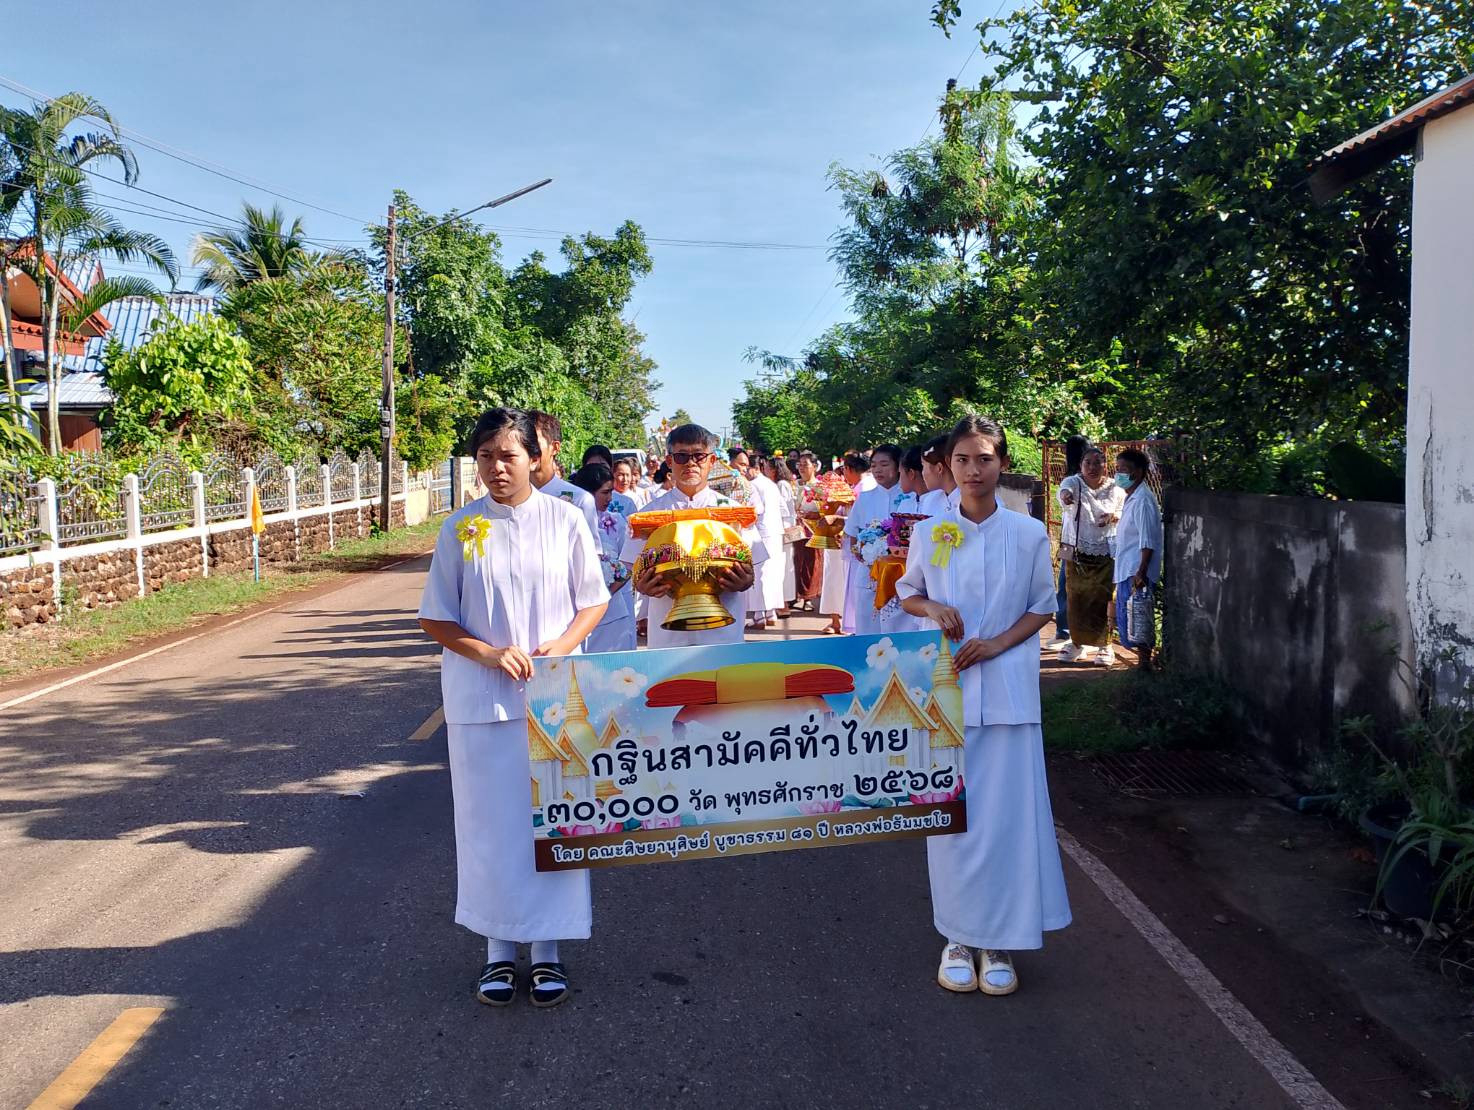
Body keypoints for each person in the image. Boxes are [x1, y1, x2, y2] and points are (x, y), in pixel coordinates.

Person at [417, 408, 609, 1009]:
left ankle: (548, 950)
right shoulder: (460, 527)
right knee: (490, 828)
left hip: (555, 701)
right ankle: (497, 951)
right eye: (485, 456)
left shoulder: (566, 519)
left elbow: (593, 600)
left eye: (508, 455)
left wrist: (563, 645)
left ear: (535, 457)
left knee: (555, 823)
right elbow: (436, 617)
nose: (497, 468)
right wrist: (490, 654)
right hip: (481, 703)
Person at [897, 414, 1071, 998]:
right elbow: (907, 591)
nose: (973, 470)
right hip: (945, 693)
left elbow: (1043, 606)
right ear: (948, 465)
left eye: (985, 459)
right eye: (962, 459)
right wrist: (933, 609)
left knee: (1007, 822)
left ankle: (999, 940)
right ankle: (956, 937)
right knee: (952, 821)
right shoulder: (930, 531)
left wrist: (997, 643)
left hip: (1009, 696)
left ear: (1003, 463)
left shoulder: (1028, 532)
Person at [624, 424, 764, 648]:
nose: (691, 463)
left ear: (711, 461)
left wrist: (746, 581)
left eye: (699, 456)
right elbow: (632, 568)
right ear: (669, 461)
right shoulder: (648, 515)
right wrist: (641, 586)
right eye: (682, 456)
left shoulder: (734, 512)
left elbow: (754, 564)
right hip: (669, 632)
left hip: (723, 631)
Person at [1055, 446, 1125, 665]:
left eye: (1098, 462)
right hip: (1076, 551)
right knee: (1076, 598)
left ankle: (1105, 645)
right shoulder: (1073, 482)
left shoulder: (1116, 488)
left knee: (1104, 597)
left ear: (1106, 465)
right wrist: (1065, 496)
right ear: (1081, 465)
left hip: (1106, 550)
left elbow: (1124, 510)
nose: (1093, 467)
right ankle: (1077, 643)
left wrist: (1113, 516)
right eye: (1088, 462)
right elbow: (1063, 492)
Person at [570, 462, 637, 653]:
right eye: (605, 492)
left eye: (611, 492)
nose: (610, 498)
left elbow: (629, 562)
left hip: (613, 605)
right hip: (576, 609)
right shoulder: (568, 521)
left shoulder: (616, 521)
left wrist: (607, 590)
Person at [844, 444, 906, 637]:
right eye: (874, 465)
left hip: (901, 576)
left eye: (884, 464)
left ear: (898, 466)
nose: (878, 470)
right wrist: (861, 554)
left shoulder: (910, 497)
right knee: (867, 630)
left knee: (897, 631)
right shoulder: (864, 498)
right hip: (869, 574)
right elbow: (852, 533)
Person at [1112, 448, 1162, 670]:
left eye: (1124, 470)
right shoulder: (1131, 497)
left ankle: (1144, 664)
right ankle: (1141, 665)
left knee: (1139, 617)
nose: (1119, 474)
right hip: (1128, 568)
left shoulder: (1143, 500)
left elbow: (1147, 540)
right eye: (1117, 469)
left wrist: (1141, 571)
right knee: (1130, 617)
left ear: (1139, 472)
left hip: (1136, 571)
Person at [528, 411, 598, 538]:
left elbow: (591, 548)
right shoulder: (507, 497)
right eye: (523, 443)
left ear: (555, 447)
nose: (528, 450)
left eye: (534, 443)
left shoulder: (580, 499)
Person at [1049, 435, 1090, 648]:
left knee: (1068, 586)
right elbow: (1064, 494)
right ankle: (1066, 631)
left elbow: (1064, 494)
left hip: (1076, 541)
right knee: (1069, 585)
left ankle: (1067, 631)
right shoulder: (1075, 479)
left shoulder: (1079, 478)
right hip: (1073, 540)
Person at [745, 453, 788, 628]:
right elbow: (784, 509)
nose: (744, 472)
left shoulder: (752, 485)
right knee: (773, 574)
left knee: (759, 574)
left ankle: (759, 615)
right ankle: (771, 613)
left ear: (754, 468)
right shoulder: (771, 484)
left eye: (746, 468)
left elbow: (755, 510)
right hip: (776, 533)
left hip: (761, 534)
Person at [790, 451, 824, 612]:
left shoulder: (820, 486)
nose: (802, 468)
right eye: (800, 464)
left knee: (812, 563)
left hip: (813, 529)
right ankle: (795, 594)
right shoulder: (794, 484)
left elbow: (826, 509)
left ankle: (809, 597)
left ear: (815, 467)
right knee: (796, 561)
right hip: (796, 528)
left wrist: (813, 514)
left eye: (806, 465)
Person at [769, 456, 800, 608]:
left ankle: (784, 602)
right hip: (783, 528)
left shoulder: (781, 485)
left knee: (784, 565)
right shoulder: (782, 484)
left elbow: (785, 510)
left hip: (783, 529)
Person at [919, 434, 958, 515]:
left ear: (939, 468)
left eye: (923, 466)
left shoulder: (972, 499)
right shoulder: (930, 500)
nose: (922, 473)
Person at [895, 446, 926, 513]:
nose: (899, 480)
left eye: (900, 473)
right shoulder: (905, 505)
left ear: (911, 474)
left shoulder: (941, 502)